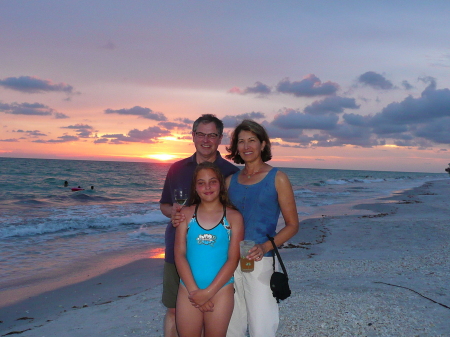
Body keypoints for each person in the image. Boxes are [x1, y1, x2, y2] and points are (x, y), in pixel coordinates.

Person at [159, 114, 239, 337]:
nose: (206, 140)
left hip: (216, 255)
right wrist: (174, 212)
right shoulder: (176, 168)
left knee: (214, 311)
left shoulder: (232, 172)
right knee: (175, 310)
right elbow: (164, 205)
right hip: (178, 250)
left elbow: (237, 215)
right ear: (193, 136)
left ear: (220, 138)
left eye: (212, 135)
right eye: (201, 134)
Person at [225, 120, 299, 337]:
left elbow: (293, 225)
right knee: (231, 322)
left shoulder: (278, 178)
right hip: (229, 259)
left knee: (262, 323)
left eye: (252, 140)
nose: (246, 146)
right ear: (236, 147)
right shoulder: (230, 181)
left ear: (263, 144)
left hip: (260, 259)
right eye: (241, 141)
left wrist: (265, 246)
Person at [174, 162, 244, 337]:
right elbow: (179, 254)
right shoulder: (186, 215)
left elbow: (233, 259)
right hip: (188, 290)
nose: (207, 187)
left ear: (220, 184)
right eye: (201, 182)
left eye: (212, 181)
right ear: (195, 187)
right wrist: (194, 292)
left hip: (220, 291)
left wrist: (208, 292)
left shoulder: (234, 217)